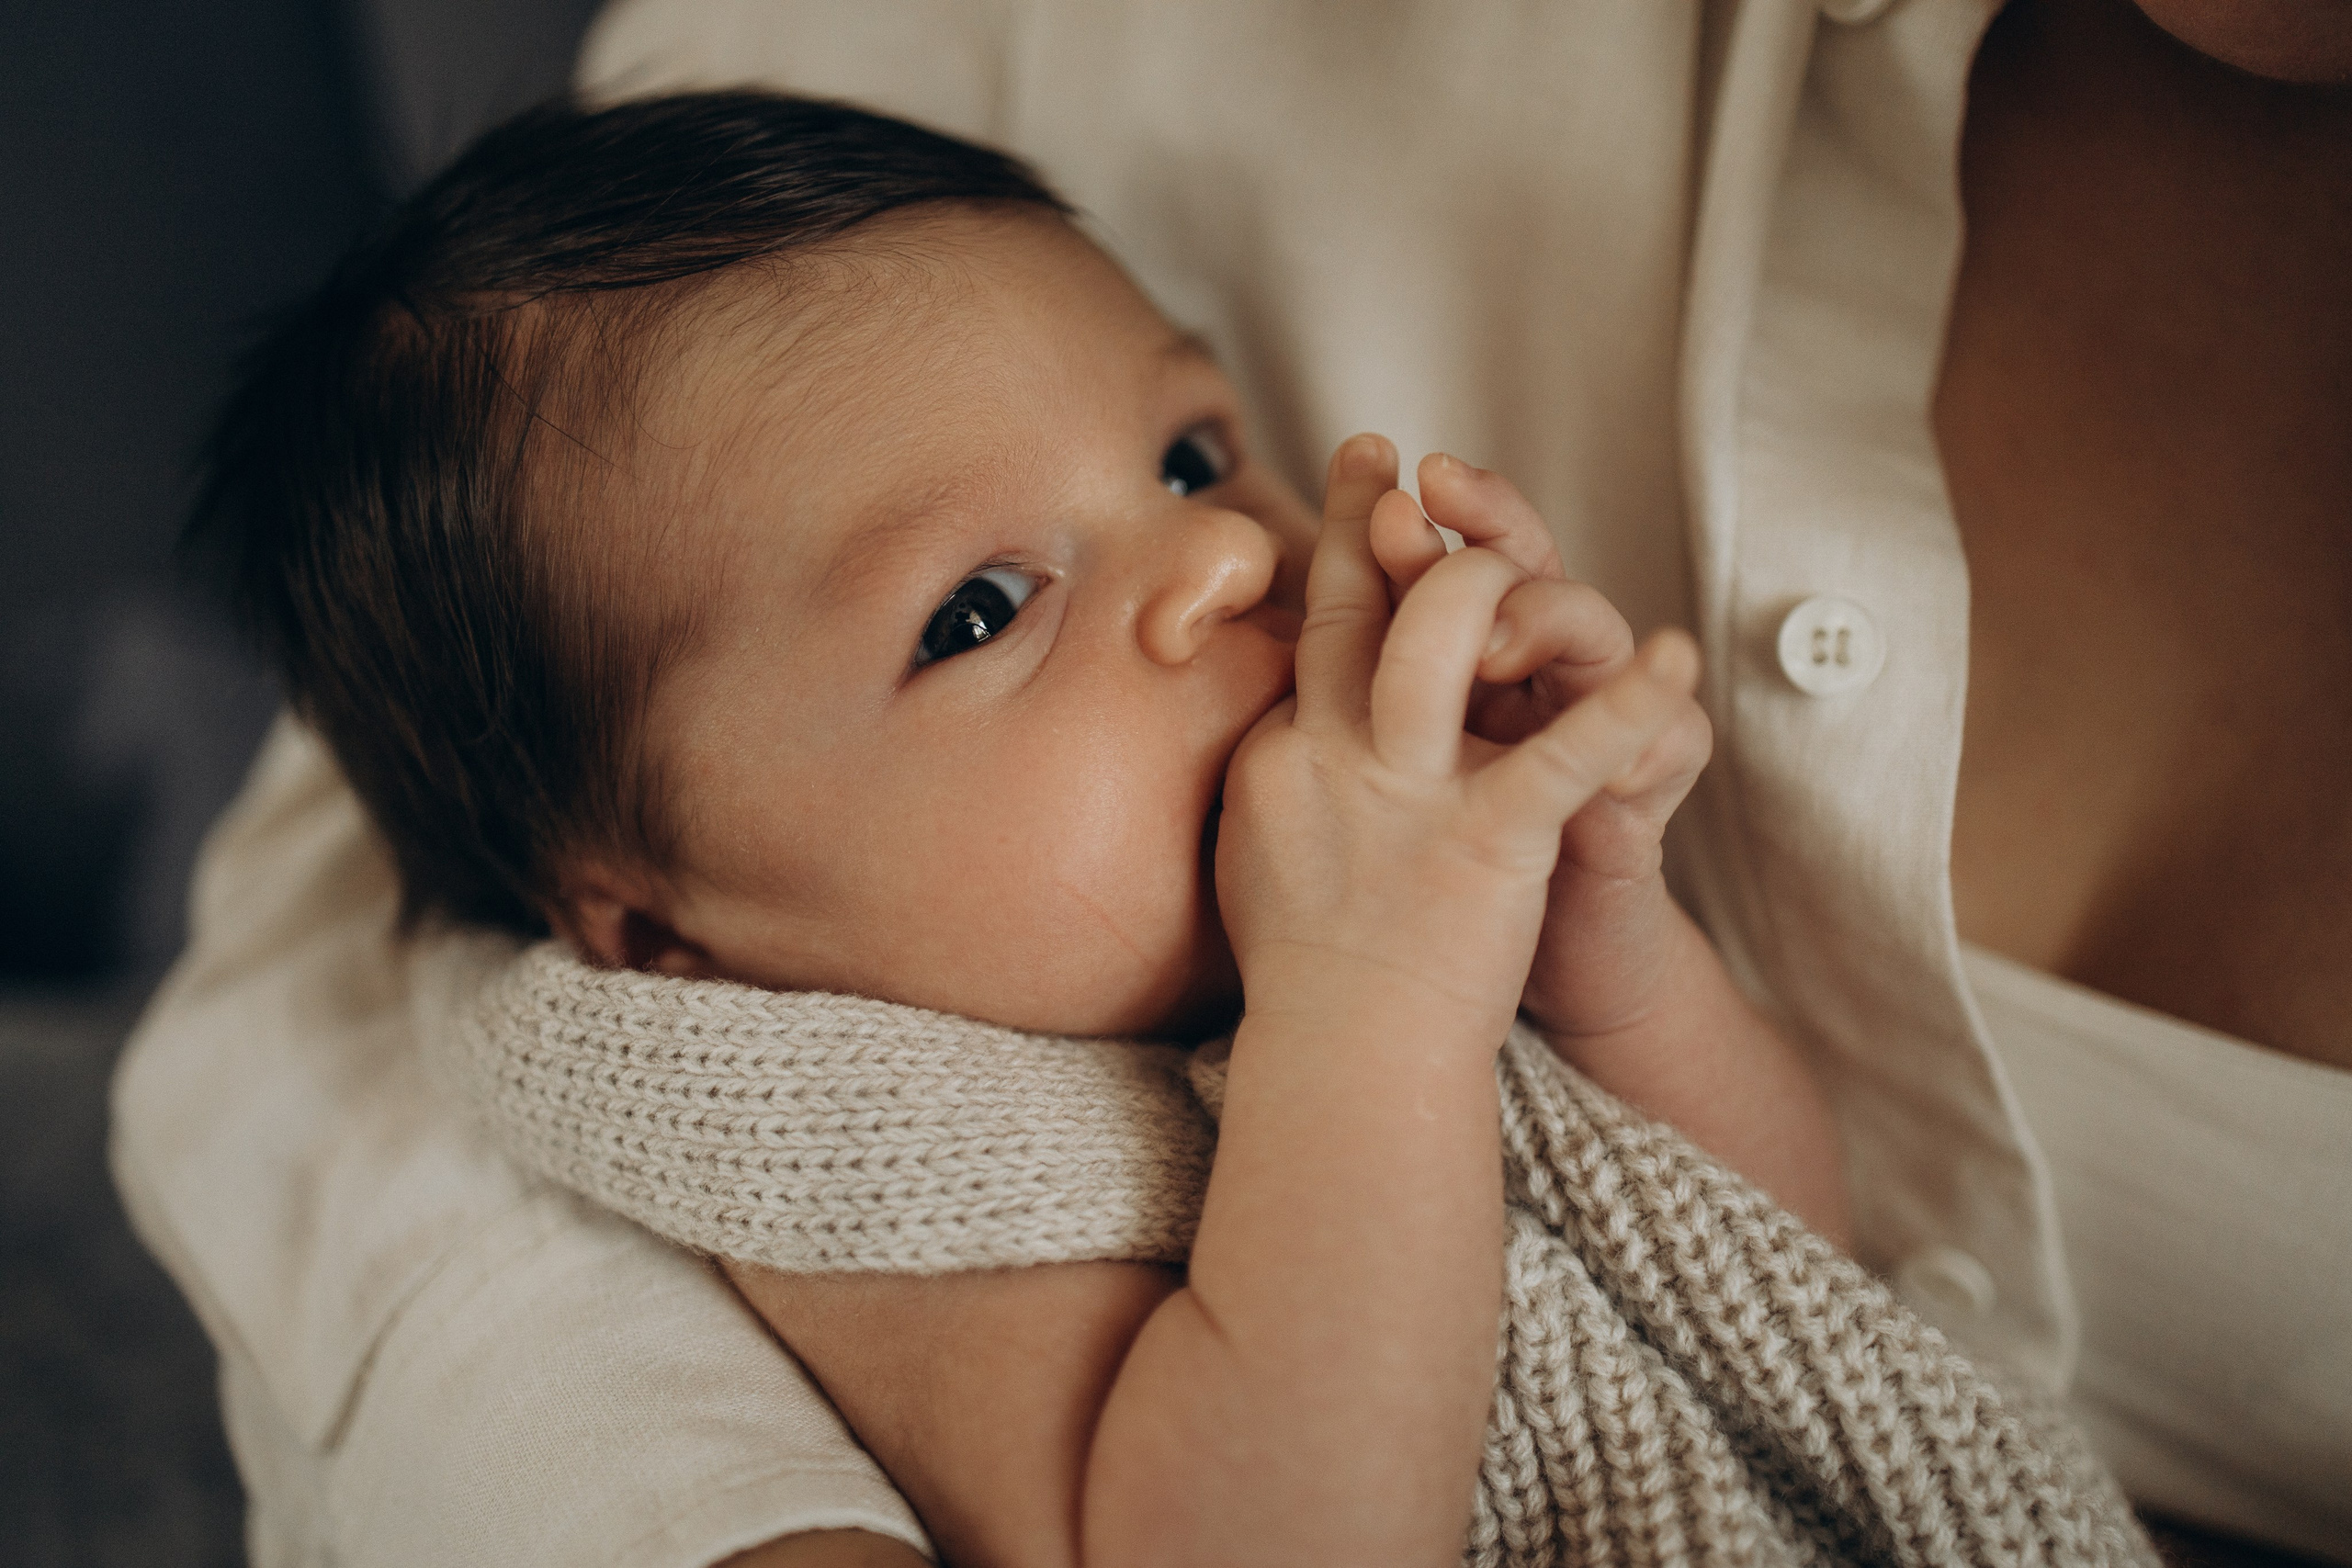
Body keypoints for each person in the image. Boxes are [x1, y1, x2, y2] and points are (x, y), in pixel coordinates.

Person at [111, 1, 2349, 1565]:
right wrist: (1379, 1006)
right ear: (674, 931)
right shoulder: (905, 1159)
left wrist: (1602, 929)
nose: (1217, 556)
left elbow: (1787, 1273)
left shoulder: (1326, 940)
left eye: (1184, 447)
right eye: (983, 609)